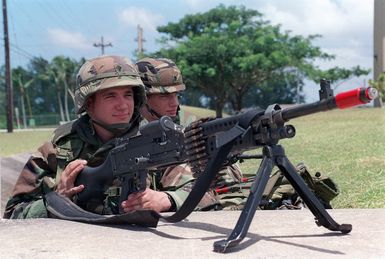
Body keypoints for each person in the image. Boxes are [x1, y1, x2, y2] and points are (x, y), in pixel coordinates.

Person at [3, 55, 182, 218]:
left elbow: (204, 190)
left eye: (128, 95)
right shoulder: (59, 148)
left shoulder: (154, 140)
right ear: (88, 103)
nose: (123, 105)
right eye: (110, 96)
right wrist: (57, 202)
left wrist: (167, 199)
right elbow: (12, 213)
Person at [135, 57, 248, 211]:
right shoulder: (130, 132)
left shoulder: (189, 123)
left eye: (177, 95)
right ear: (143, 99)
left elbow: (227, 175)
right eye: (165, 96)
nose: (175, 103)